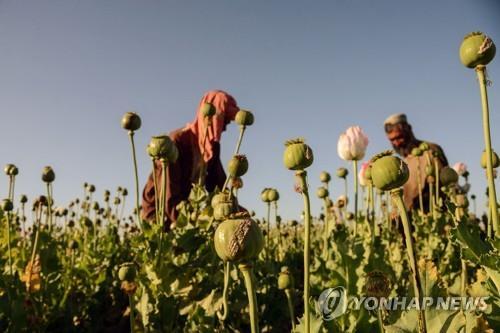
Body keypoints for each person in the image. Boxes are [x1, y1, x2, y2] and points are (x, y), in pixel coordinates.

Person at [141, 90, 239, 228]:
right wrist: (193, 225)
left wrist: (235, 211)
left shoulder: (212, 148)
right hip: (159, 214)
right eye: (225, 122)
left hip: (185, 215)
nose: (224, 129)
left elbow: (219, 187)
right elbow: (168, 194)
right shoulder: (177, 142)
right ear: (216, 117)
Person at [384, 113, 448, 212]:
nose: (397, 143)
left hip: (434, 214)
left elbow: (445, 183)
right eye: (392, 140)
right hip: (411, 219)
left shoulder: (430, 150)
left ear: (409, 130)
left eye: (399, 137)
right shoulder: (402, 162)